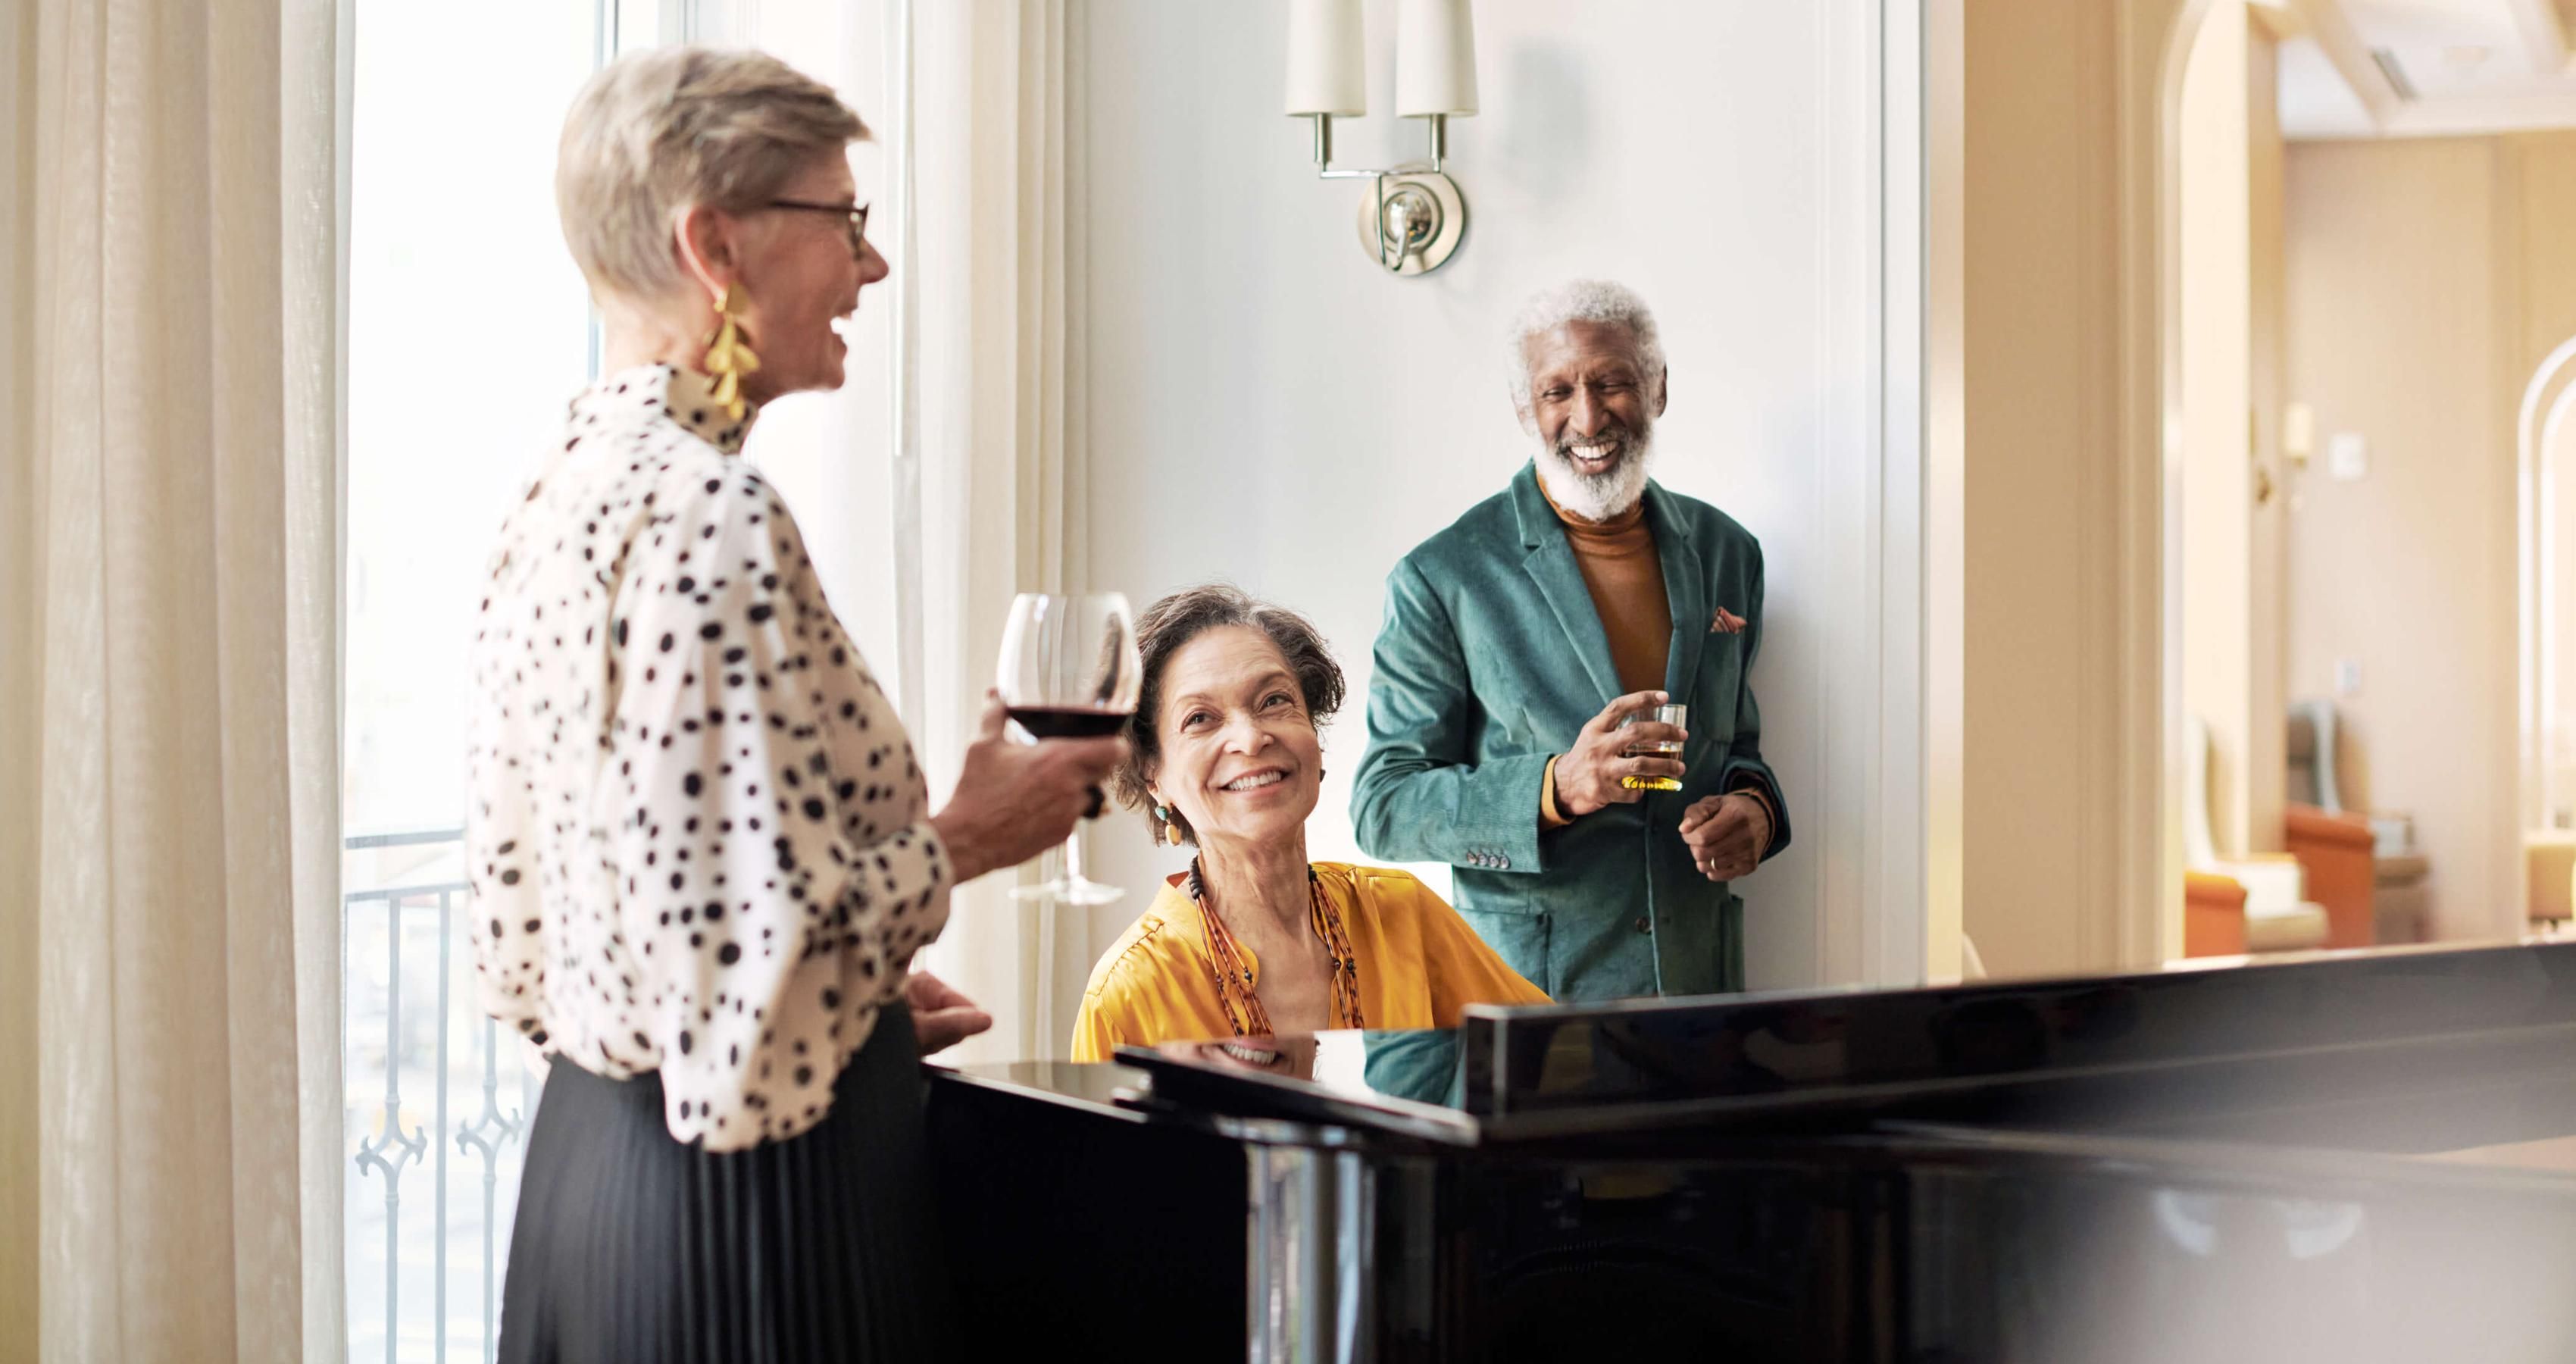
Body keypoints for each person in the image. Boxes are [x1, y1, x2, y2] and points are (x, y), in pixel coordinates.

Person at [464, 46, 1124, 1362]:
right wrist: (968, 840)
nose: (871, 268)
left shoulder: (564, 487)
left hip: (593, 1189)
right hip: (750, 1231)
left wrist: (861, 990)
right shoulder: (714, 515)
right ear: (715, 245)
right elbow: (747, 989)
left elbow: (652, 921)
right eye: (844, 220)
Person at [1352, 279, 1790, 1001]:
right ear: (1526, 409)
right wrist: (1556, 787)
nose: (1588, 418)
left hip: (1699, 993)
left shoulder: (1728, 552)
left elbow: (1738, 745)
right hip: (1536, 1003)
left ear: (1657, 389)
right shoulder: (1442, 576)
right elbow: (1383, 805)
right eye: (1558, 392)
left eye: (1612, 382)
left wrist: (1757, 811)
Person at [1071, 585, 1548, 1062]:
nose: (1251, 737)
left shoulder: (1403, 915)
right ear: (1154, 777)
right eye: (1200, 718)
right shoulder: (1128, 994)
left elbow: (1556, 1061)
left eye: (1274, 700)